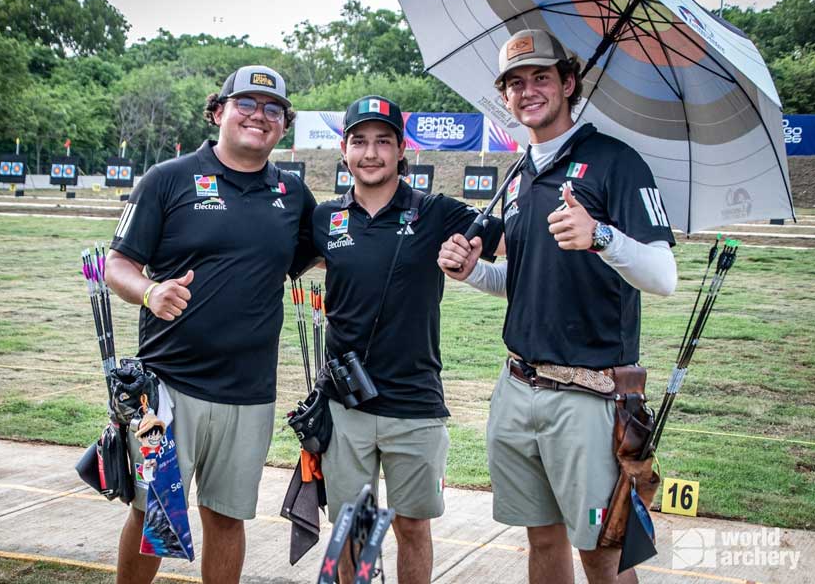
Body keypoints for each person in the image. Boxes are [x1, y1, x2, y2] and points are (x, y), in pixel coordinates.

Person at [437, 29, 677, 584]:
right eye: (515, 83)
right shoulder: (520, 172)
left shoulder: (616, 162)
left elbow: (664, 277)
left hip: (588, 395)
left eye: (541, 77)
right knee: (541, 538)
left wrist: (602, 236)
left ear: (569, 83)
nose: (528, 91)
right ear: (505, 96)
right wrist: (473, 273)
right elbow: (524, 283)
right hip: (518, 385)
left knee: (601, 550)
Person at [105, 65, 316, 584]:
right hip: (170, 386)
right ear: (218, 111)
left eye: (272, 109)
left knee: (227, 517)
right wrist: (150, 292)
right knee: (155, 513)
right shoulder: (167, 179)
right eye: (246, 103)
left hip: (250, 392)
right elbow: (117, 264)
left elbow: (324, 254)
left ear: (283, 125)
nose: (259, 116)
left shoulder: (292, 194)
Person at [307, 96, 504, 584]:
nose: (371, 153)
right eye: (359, 142)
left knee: (413, 527)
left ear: (401, 151)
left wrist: (472, 260)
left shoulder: (437, 212)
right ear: (344, 151)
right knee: (351, 529)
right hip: (345, 405)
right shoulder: (325, 218)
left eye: (383, 142)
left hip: (415, 402)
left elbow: (514, 244)